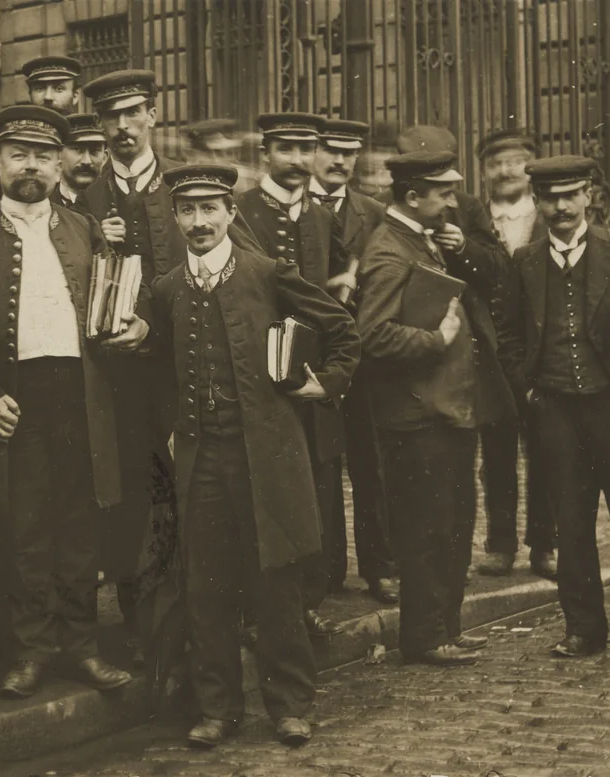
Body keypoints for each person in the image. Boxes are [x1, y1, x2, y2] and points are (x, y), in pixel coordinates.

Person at [152, 163, 359, 748]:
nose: (199, 221)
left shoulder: (267, 273)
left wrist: (327, 384)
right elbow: (158, 373)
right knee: (208, 586)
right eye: (187, 210)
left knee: (276, 586)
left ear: (230, 213)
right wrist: (173, 428)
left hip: (265, 457)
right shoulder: (168, 288)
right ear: (175, 218)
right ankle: (218, 708)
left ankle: (290, 705)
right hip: (202, 460)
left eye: (209, 209)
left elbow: (343, 329)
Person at [0, 105, 145, 698]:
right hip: (14, 396)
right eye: (17, 156)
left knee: (80, 524)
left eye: (42, 156)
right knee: (25, 527)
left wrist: (135, 328)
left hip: (80, 396)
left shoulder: (81, 226)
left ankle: (80, 646)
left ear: (59, 164)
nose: (30, 167)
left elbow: (115, 307)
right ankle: (31, 650)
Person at [357, 150, 507, 667]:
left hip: (444, 412)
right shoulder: (388, 251)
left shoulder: (417, 238)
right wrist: (435, 339)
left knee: (452, 523)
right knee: (426, 530)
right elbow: (372, 334)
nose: (452, 199)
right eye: (442, 191)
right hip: (415, 418)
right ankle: (423, 636)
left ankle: (447, 625)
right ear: (412, 197)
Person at [496, 155, 610, 672]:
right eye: (550, 197)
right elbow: (508, 335)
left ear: (589, 197)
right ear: (537, 200)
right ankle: (583, 631)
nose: (561, 206)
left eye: (570, 194)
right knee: (571, 527)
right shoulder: (525, 261)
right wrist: (528, 391)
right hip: (555, 411)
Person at [385, 125, 532, 582]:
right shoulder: (394, 215)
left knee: (498, 445)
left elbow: (498, 271)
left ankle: (501, 544)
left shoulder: (465, 209)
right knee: (446, 458)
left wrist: (463, 248)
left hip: (476, 347)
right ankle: (452, 560)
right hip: (425, 346)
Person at [80, 69, 182, 659]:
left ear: (152, 115)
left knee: (182, 490)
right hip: (115, 382)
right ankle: (138, 620)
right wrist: (99, 240)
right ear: (99, 125)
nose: (123, 127)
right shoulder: (85, 201)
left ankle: (184, 616)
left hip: (177, 371)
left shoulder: (184, 189)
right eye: (110, 117)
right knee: (125, 497)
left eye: (132, 112)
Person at [233, 112, 347, 636]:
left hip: (312, 370)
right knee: (262, 485)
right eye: (287, 149)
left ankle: (305, 604)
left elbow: (338, 289)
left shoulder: (324, 217)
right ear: (266, 153)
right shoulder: (238, 211)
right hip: (256, 370)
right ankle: (258, 611)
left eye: (307, 149)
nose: (299, 161)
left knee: (316, 485)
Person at [307, 118, 398, 605]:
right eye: (330, 151)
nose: (340, 161)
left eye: (349, 153)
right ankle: (328, 569)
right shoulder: (293, 208)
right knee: (320, 462)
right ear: (313, 153)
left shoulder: (374, 213)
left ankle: (380, 568)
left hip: (365, 357)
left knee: (371, 461)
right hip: (313, 357)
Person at [476, 127, 557, 579]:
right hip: (490, 352)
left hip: (540, 351)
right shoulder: (474, 220)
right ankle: (500, 544)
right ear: (484, 170)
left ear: (530, 167)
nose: (505, 171)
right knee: (497, 452)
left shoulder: (547, 217)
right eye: (495, 163)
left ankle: (544, 544)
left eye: (514, 162)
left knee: (546, 450)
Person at [49, 113, 107, 214]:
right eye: (77, 150)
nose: (86, 161)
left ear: (105, 157)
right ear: (59, 154)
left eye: (94, 151)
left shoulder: (115, 201)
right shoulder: (44, 201)